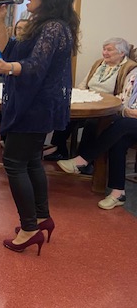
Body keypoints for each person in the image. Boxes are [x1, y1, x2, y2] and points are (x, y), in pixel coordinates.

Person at [0, 0, 80, 256]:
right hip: (34, 103)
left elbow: (34, 66)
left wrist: (5, 69)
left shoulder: (54, 28)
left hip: (35, 105)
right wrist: (0, 20)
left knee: (14, 163)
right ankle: (41, 217)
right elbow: (9, 51)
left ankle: (29, 228)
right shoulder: (43, 25)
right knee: (32, 161)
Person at [45, 37, 137, 161]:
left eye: (109, 50)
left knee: (92, 123)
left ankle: (84, 159)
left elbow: (125, 95)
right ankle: (59, 149)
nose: (104, 53)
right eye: (104, 49)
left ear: (121, 53)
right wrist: (80, 95)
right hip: (89, 102)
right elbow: (84, 84)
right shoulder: (99, 63)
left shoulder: (130, 69)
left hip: (109, 109)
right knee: (67, 115)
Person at [57, 69, 137, 209]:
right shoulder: (134, 74)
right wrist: (125, 109)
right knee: (119, 141)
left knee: (122, 125)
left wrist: (126, 111)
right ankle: (118, 193)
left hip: (131, 121)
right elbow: (124, 97)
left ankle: (83, 160)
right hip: (130, 120)